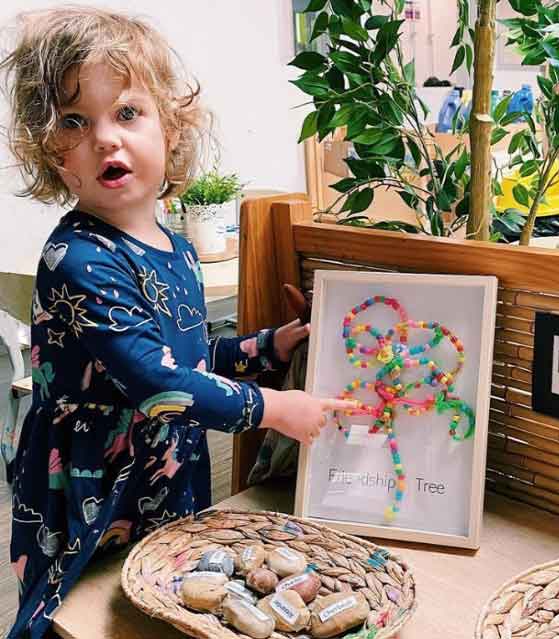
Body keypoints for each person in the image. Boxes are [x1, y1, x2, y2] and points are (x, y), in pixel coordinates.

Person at [0, 8, 351, 637]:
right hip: (91, 483)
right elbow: (153, 380)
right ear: (52, 152)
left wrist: (270, 345)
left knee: (158, 601)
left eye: (127, 113)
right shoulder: (79, 257)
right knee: (79, 611)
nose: (106, 138)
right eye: (76, 122)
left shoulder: (177, 246)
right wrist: (273, 408)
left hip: (161, 471)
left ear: (172, 128)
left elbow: (190, 360)